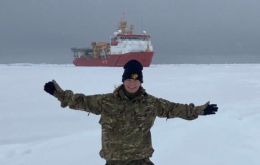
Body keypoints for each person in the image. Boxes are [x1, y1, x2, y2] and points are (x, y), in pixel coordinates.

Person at [44, 60, 218, 165]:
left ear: (140, 82)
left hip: (141, 161)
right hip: (114, 161)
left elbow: (173, 109)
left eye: (136, 80)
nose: (132, 84)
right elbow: (80, 101)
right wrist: (58, 93)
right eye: (128, 79)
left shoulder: (150, 103)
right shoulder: (106, 101)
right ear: (123, 80)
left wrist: (198, 110)